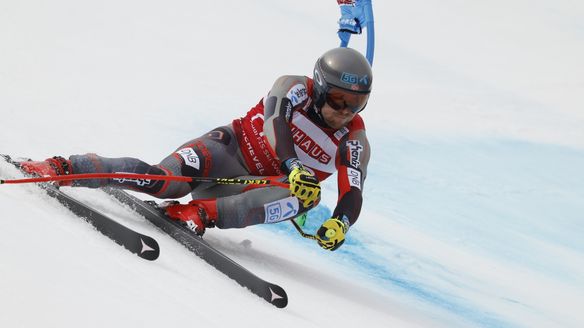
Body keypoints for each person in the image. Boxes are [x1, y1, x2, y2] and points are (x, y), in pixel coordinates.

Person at [19, 47, 372, 251]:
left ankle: (199, 214)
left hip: (249, 190)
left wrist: (340, 223)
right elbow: (275, 125)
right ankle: (66, 167)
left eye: (357, 103)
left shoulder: (353, 138)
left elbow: (352, 191)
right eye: (339, 99)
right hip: (227, 151)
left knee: (307, 197)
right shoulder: (293, 87)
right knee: (164, 182)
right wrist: (294, 164)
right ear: (322, 88)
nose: (345, 112)